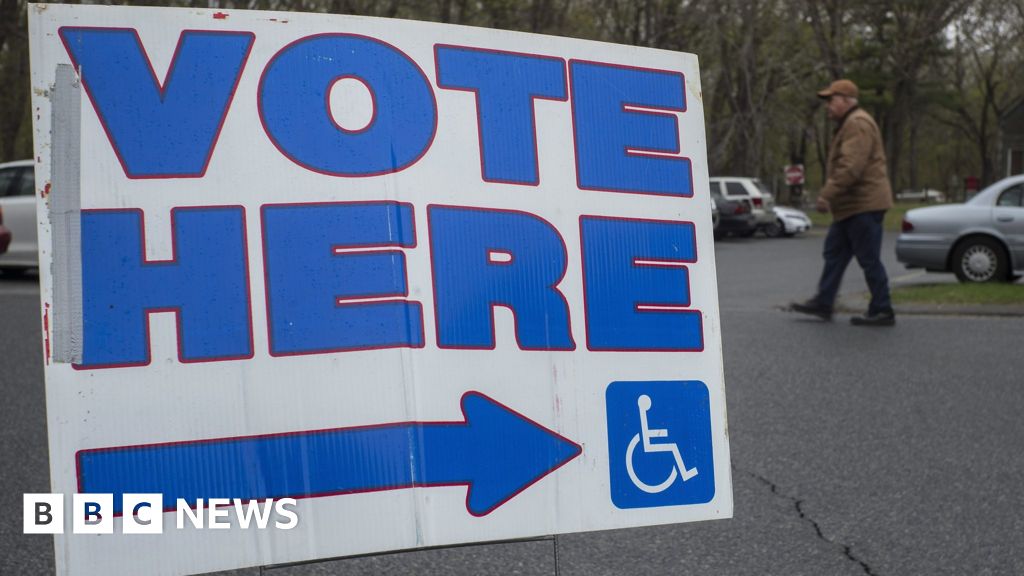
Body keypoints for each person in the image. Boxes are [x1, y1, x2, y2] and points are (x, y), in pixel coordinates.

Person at [791, 79, 896, 327]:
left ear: (847, 101)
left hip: (863, 205)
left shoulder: (857, 124)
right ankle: (824, 302)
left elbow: (852, 167)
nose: (828, 105)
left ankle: (883, 309)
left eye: (832, 100)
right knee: (834, 254)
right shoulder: (850, 123)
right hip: (851, 206)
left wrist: (827, 194)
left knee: (869, 259)